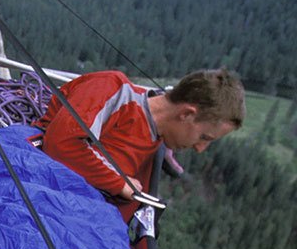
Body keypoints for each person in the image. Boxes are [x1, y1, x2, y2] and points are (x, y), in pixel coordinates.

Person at [35, 67, 245, 206]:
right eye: (204, 137)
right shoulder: (112, 88)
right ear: (187, 114)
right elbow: (61, 143)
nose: (200, 148)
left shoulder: (158, 135)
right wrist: (119, 183)